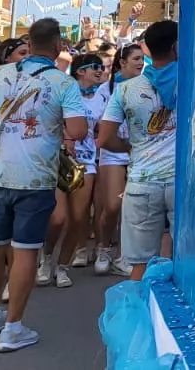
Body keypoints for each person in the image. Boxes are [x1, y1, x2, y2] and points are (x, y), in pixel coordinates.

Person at [0, 18, 88, 353]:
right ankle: (13, 328)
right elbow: (77, 131)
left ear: (29, 44)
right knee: (25, 251)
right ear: (60, 46)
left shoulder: (1, 74)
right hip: (35, 177)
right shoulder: (63, 83)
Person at [98, 24, 180, 280]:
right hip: (182, 183)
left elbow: (104, 138)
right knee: (184, 261)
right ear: (177, 46)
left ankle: (138, 314)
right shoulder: (192, 82)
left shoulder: (125, 89)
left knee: (139, 266)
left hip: (142, 182)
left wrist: (130, 147)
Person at [54, 52, 110, 288]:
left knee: (78, 218)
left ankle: (62, 265)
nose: (100, 70)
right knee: (57, 219)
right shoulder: (65, 91)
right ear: (80, 71)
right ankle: (46, 259)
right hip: (59, 160)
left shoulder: (102, 96)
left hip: (87, 162)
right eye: (93, 67)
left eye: (101, 66)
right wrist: (66, 136)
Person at [93, 42, 144, 277]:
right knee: (113, 205)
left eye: (142, 59)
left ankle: (124, 256)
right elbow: (97, 120)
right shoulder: (106, 89)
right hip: (112, 151)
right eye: (136, 59)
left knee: (131, 207)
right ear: (122, 63)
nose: (141, 63)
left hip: (138, 152)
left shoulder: (146, 86)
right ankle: (104, 248)